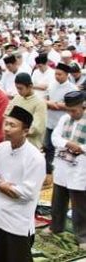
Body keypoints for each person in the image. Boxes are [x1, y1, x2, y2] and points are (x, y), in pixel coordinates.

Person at [0, 106, 46, 262]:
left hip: (18, 222)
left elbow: (28, 194)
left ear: (25, 131)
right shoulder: (1, 148)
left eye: (12, 125)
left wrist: (1, 187)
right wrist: (0, 184)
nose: (6, 129)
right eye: (6, 124)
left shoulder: (35, 158)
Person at [48, 91, 86, 248]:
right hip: (63, 165)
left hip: (80, 166)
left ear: (82, 106)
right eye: (68, 110)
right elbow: (55, 137)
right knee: (58, 199)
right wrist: (68, 144)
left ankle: (82, 236)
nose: (71, 113)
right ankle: (56, 227)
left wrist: (81, 147)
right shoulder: (64, 119)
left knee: (79, 204)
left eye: (74, 110)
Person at [45, 63, 77, 181]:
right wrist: (49, 103)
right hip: (49, 120)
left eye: (60, 74)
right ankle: (48, 172)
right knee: (48, 147)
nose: (57, 76)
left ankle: (61, 172)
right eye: (56, 74)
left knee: (62, 148)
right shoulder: (52, 84)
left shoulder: (72, 88)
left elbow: (74, 106)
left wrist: (58, 105)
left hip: (63, 123)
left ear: (67, 75)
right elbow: (45, 98)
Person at [6, 72, 47, 150]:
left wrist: (17, 131)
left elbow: (37, 128)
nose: (18, 91)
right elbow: (6, 115)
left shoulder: (39, 103)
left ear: (30, 86)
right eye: (17, 88)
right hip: (13, 141)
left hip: (30, 144)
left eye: (20, 88)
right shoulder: (17, 98)